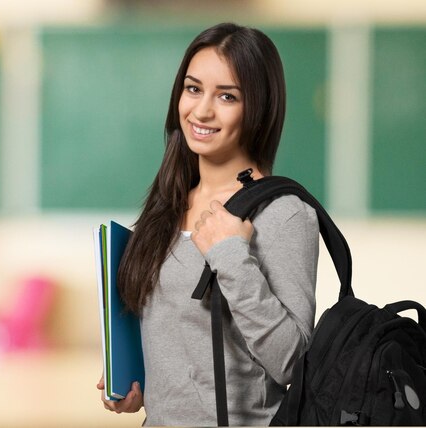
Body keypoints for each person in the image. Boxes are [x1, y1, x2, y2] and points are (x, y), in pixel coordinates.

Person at [96, 22, 319, 426]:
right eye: (193, 88)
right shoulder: (167, 206)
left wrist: (231, 256)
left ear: (259, 108)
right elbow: (184, 345)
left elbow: (293, 363)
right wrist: (143, 382)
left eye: (227, 96)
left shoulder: (284, 214)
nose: (201, 110)